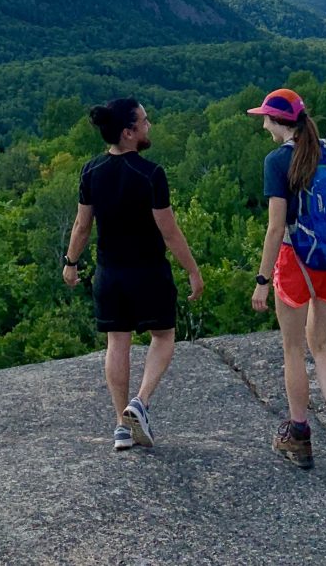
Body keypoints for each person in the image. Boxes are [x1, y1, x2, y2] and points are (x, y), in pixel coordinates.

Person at [63, 97, 204, 451]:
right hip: (149, 272)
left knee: (117, 342)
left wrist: (70, 262)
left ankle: (120, 427)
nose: (149, 125)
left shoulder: (90, 171)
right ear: (128, 133)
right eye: (143, 121)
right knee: (164, 335)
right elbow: (169, 231)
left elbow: (82, 226)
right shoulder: (151, 173)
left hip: (110, 274)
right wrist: (193, 271)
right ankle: (138, 403)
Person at [248, 87, 326, 476]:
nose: (263, 124)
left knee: (294, 350)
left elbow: (276, 227)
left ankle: (299, 437)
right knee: (323, 345)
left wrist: (262, 280)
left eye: (265, 118)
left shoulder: (277, 161)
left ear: (280, 123)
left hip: (296, 260)